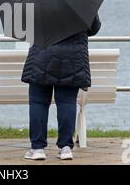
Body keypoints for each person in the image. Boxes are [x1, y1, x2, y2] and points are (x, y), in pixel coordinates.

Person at [21, 15, 101, 160]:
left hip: (41, 56)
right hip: (73, 59)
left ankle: (37, 148)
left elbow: (24, 29)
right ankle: (65, 148)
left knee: (38, 102)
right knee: (67, 102)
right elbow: (94, 28)